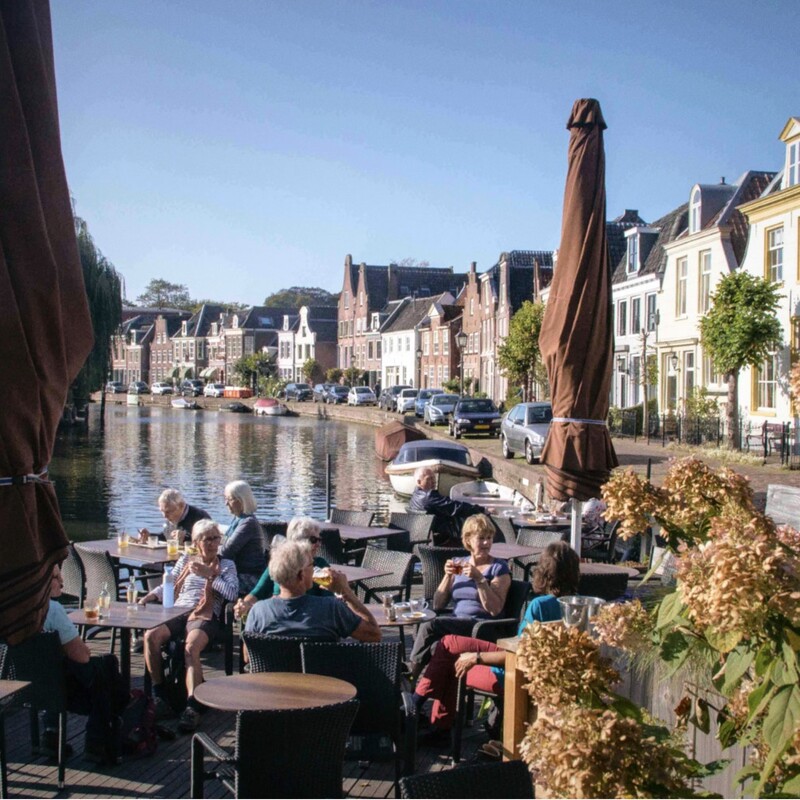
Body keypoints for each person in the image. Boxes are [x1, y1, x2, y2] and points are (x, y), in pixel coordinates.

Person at [413, 541, 580, 732]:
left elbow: (521, 654)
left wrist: (476, 657)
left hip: (514, 673)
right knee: (449, 644)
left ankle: (420, 710)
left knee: (450, 651)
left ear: (543, 571)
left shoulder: (540, 605)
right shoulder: (578, 606)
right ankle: (431, 719)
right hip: (547, 672)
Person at [140, 519, 238, 732]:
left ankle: (193, 706)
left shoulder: (227, 565)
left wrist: (210, 575)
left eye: (216, 538)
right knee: (151, 636)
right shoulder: (186, 559)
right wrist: (151, 595)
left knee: (190, 648)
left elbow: (232, 594)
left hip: (205, 614)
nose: (213, 543)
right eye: (208, 539)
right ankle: (160, 696)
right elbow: (171, 582)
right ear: (196, 542)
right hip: (178, 610)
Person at [41, 565, 129, 763]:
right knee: (105, 668)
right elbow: (82, 657)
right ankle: (97, 739)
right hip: (57, 686)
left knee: (101, 669)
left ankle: (51, 733)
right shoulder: (52, 610)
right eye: (56, 577)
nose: (62, 582)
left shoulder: (13, 611)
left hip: (22, 683)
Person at [407, 513, 510, 680]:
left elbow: (495, 609)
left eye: (489, 538)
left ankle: (411, 677)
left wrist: (480, 579)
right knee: (432, 639)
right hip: (457, 622)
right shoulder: (460, 563)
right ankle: (423, 695)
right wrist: (447, 576)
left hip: (482, 626)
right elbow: (438, 605)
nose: (486, 543)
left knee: (430, 626)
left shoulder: (498, 568)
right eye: (481, 538)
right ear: (468, 540)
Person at [244, 539, 381, 642]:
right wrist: (346, 592)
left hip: (273, 679)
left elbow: (248, 656)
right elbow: (374, 635)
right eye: (312, 565)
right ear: (301, 575)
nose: (315, 568)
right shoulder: (331, 609)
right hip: (324, 678)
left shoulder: (258, 611)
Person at [234, 517, 330, 620]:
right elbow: (257, 593)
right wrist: (244, 605)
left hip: (309, 619)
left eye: (319, 540)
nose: (318, 544)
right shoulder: (280, 563)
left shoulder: (321, 564)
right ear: (297, 540)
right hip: (278, 617)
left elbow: (328, 601)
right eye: (314, 540)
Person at [409, 466, 486, 545]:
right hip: (443, 539)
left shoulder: (414, 496)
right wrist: (483, 510)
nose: (434, 481)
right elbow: (455, 507)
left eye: (434, 478)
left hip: (425, 538)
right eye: (429, 479)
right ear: (419, 482)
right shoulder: (429, 496)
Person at [218, 479, 266, 595]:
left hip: (248, 577)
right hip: (234, 572)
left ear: (241, 500)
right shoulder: (239, 519)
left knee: (206, 582)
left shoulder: (248, 523)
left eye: (229, 499)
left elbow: (226, 551)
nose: (226, 503)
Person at [139, 488, 210, 545]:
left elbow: (210, 542)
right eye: (162, 511)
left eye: (168, 512)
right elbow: (166, 537)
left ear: (181, 506)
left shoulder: (200, 517)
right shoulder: (171, 517)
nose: (164, 516)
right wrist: (149, 536)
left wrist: (185, 539)